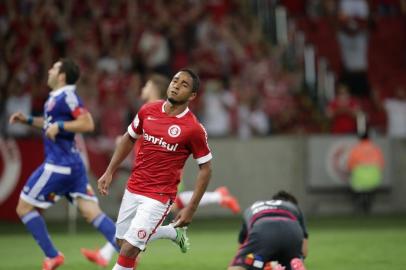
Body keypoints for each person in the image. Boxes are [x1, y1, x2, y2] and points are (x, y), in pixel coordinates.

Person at [8, 58, 119, 270]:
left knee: (23, 208)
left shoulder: (67, 95)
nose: (49, 70)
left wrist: (60, 125)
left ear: (61, 76)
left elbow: (87, 123)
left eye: (54, 68)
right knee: (91, 212)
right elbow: (50, 124)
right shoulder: (55, 97)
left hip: (58, 165)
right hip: (73, 166)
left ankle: (53, 255)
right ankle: (126, 252)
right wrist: (28, 121)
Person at [97, 69, 213, 270]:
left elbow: (206, 168)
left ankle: (170, 232)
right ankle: (172, 232)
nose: (176, 85)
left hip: (159, 196)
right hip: (134, 187)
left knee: (129, 250)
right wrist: (110, 171)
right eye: (175, 80)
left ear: (192, 95)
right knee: (121, 244)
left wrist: (191, 208)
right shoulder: (147, 110)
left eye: (184, 84)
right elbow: (129, 138)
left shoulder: (193, 128)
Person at [229, 190, 308, 270]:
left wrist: (257, 262)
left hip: (263, 229)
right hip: (292, 230)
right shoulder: (294, 208)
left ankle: (270, 266)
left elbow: (242, 248)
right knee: (291, 261)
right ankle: (290, 266)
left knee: (241, 264)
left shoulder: (253, 206)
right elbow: (304, 252)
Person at [347, 131, 384, 213]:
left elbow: (350, 165)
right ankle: (368, 203)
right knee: (370, 189)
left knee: (356, 188)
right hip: (374, 178)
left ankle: (360, 204)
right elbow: (381, 164)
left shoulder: (356, 149)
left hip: (359, 178)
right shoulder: (375, 148)